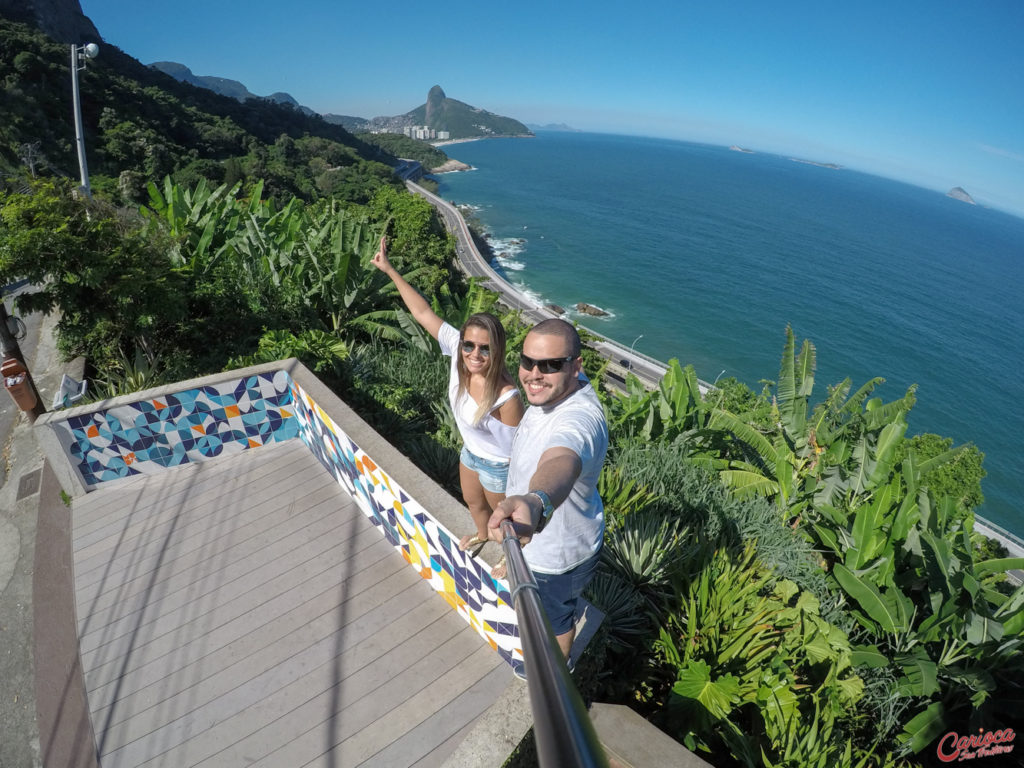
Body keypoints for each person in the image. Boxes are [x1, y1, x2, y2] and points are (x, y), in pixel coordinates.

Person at [371, 237, 523, 572]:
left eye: (485, 348)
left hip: (499, 466)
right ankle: (482, 535)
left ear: (497, 350)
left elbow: (519, 450)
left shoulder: (506, 397)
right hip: (471, 453)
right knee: (472, 502)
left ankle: (510, 559)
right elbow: (423, 311)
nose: (475, 354)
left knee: (505, 524)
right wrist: (389, 269)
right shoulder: (457, 351)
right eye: (470, 345)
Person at [488, 318, 608, 660]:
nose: (534, 374)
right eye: (528, 361)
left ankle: (557, 672)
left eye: (551, 364)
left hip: (557, 554)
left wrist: (536, 499)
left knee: (555, 619)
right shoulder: (558, 387)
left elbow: (562, 460)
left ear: (576, 367)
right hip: (537, 539)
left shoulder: (579, 419)